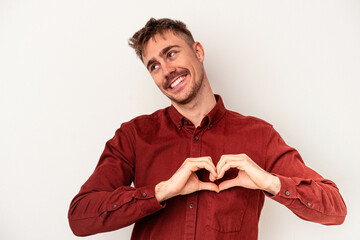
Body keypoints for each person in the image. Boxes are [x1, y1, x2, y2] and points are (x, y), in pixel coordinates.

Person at [68, 18, 347, 239]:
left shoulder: (258, 135)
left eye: (172, 53)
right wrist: (162, 191)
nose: (167, 70)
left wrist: (269, 182)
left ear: (198, 52)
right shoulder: (134, 136)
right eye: (154, 66)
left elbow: (335, 209)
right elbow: (80, 217)